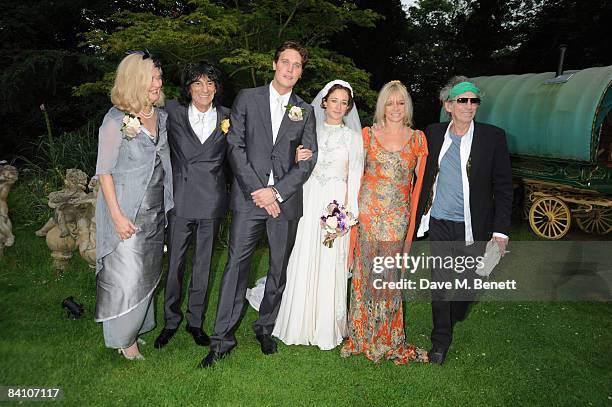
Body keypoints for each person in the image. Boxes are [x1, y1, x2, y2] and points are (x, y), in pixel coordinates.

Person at [199, 41, 318, 368]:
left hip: (284, 203)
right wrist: (259, 191)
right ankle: (221, 340)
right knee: (236, 267)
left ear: (301, 72)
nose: (290, 70)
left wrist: (276, 192)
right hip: (250, 200)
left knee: (278, 270)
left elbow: (308, 160)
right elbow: (234, 146)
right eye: (286, 62)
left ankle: (265, 327)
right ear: (274, 63)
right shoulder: (247, 99)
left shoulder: (305, 111)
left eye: (297, 65)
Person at [247, 80, 364, 350]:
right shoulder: (307, 128)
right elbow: (287, 164)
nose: (338, 106)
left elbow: (356, 178)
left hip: (335, 204)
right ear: (324, 101)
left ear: (348, 108)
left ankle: (324, 325)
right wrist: (296, 156)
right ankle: (295, 320)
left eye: (344, 103)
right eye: (334, 100)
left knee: (328, 260)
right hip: (308, 199)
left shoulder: (354, 139)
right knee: (301, 255)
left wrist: (348, 216)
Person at [413, 76, 512, 365]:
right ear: (449, 106)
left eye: (474, 100)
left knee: (472, 283)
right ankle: (439, 342)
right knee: (440, 284)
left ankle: (455, 312)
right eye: (462, 100)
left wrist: (500, 231)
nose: (469, 106)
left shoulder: (492, 137)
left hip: (475, 225)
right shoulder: (433, 133)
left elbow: (504, 187)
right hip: (442, 222)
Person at [340, 80, 428, 364]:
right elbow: (351, 175)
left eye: (401, 103)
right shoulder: (366, 135)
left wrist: (413, 227)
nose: (395, 108)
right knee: (365, 276)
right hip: (367, 215)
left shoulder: (418, 139)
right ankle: (361, 335)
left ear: (407, 106)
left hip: (396, 218)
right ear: (382, 106)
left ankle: (387, 337)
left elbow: (420, 188)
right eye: (390, 103)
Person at [94, 51, 174, 361]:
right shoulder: (115, 119)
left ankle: (137, 325)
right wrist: (116, 216)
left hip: (155, 209)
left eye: (159, 76)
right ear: (135, 79)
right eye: (153, 77)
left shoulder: (162, 116)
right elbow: (104, 170)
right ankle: (124, 340)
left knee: (147, 272)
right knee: (126, 275)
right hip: (126, 210)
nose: (159, 82)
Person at [154, 62, 230, 349]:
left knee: (203, 264)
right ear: (188, 87)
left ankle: (195, 322)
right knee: (175, 264)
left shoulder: (228, 116)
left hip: (211, 200)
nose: (204, 89)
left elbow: (247, 150)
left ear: (216, 87)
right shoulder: (171, 112)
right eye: (198, 83)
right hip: (181, 199)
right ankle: (170, 321)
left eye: (210, 83)